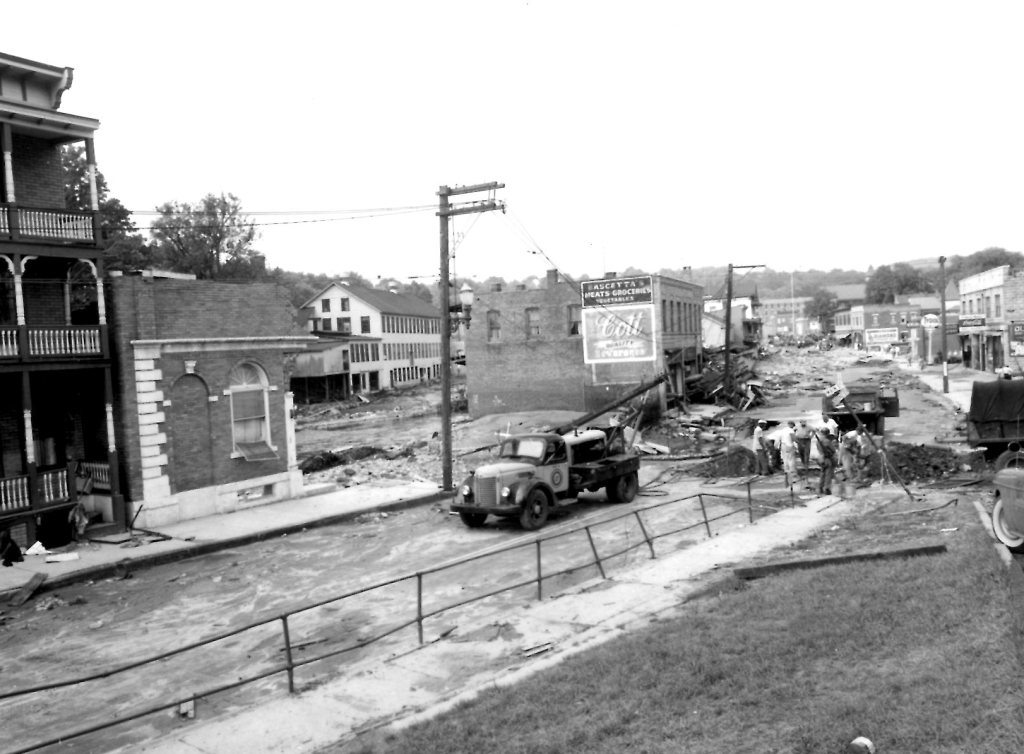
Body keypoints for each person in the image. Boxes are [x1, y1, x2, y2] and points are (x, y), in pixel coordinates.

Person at [815, 428, 837, 495]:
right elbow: (833, 450)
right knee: (828, 474)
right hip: (827, 458)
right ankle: (827, 488)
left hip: (821, 458)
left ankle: (820, 488)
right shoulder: (826, 441)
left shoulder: (818, 441)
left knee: (822, 474)